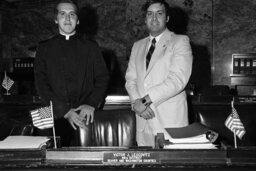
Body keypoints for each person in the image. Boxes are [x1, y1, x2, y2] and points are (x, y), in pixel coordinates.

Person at [34, 0, 109, 146]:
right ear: (56, 19)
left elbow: (102, 78)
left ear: (78, 20)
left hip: (85, 117)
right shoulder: (44, 48)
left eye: (72, 14)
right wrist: (66, 111)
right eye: (62, 14)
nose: (67, 19)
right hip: (55, 117)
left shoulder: (91, 48)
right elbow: (41, 85)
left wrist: (91, 104)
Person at [125, 0, 193, 147]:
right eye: (150, 14)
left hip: (170, 121)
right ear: (145, 19)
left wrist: (144, 101)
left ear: (167, 18)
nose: (154, 18)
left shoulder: (180, 41)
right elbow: (131, 79)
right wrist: (137, 104)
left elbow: (177, 80)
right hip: (143, 121)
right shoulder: (137, 46)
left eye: (159, 13)